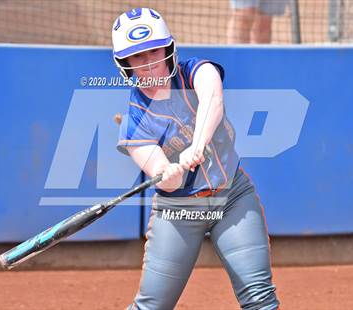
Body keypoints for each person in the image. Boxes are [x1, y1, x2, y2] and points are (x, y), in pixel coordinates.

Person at [112, 8, 279, 310]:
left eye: (154, 51)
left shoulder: (197, 70)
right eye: (138, 57)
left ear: (169, 49)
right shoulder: (134, 123)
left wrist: (197, 144)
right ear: (125, 64)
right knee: (152, 307)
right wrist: (169, 172)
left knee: (260, 299)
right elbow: (163, 175)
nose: (149, 63)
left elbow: (213, 99)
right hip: (178, 212)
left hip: (232, 198)